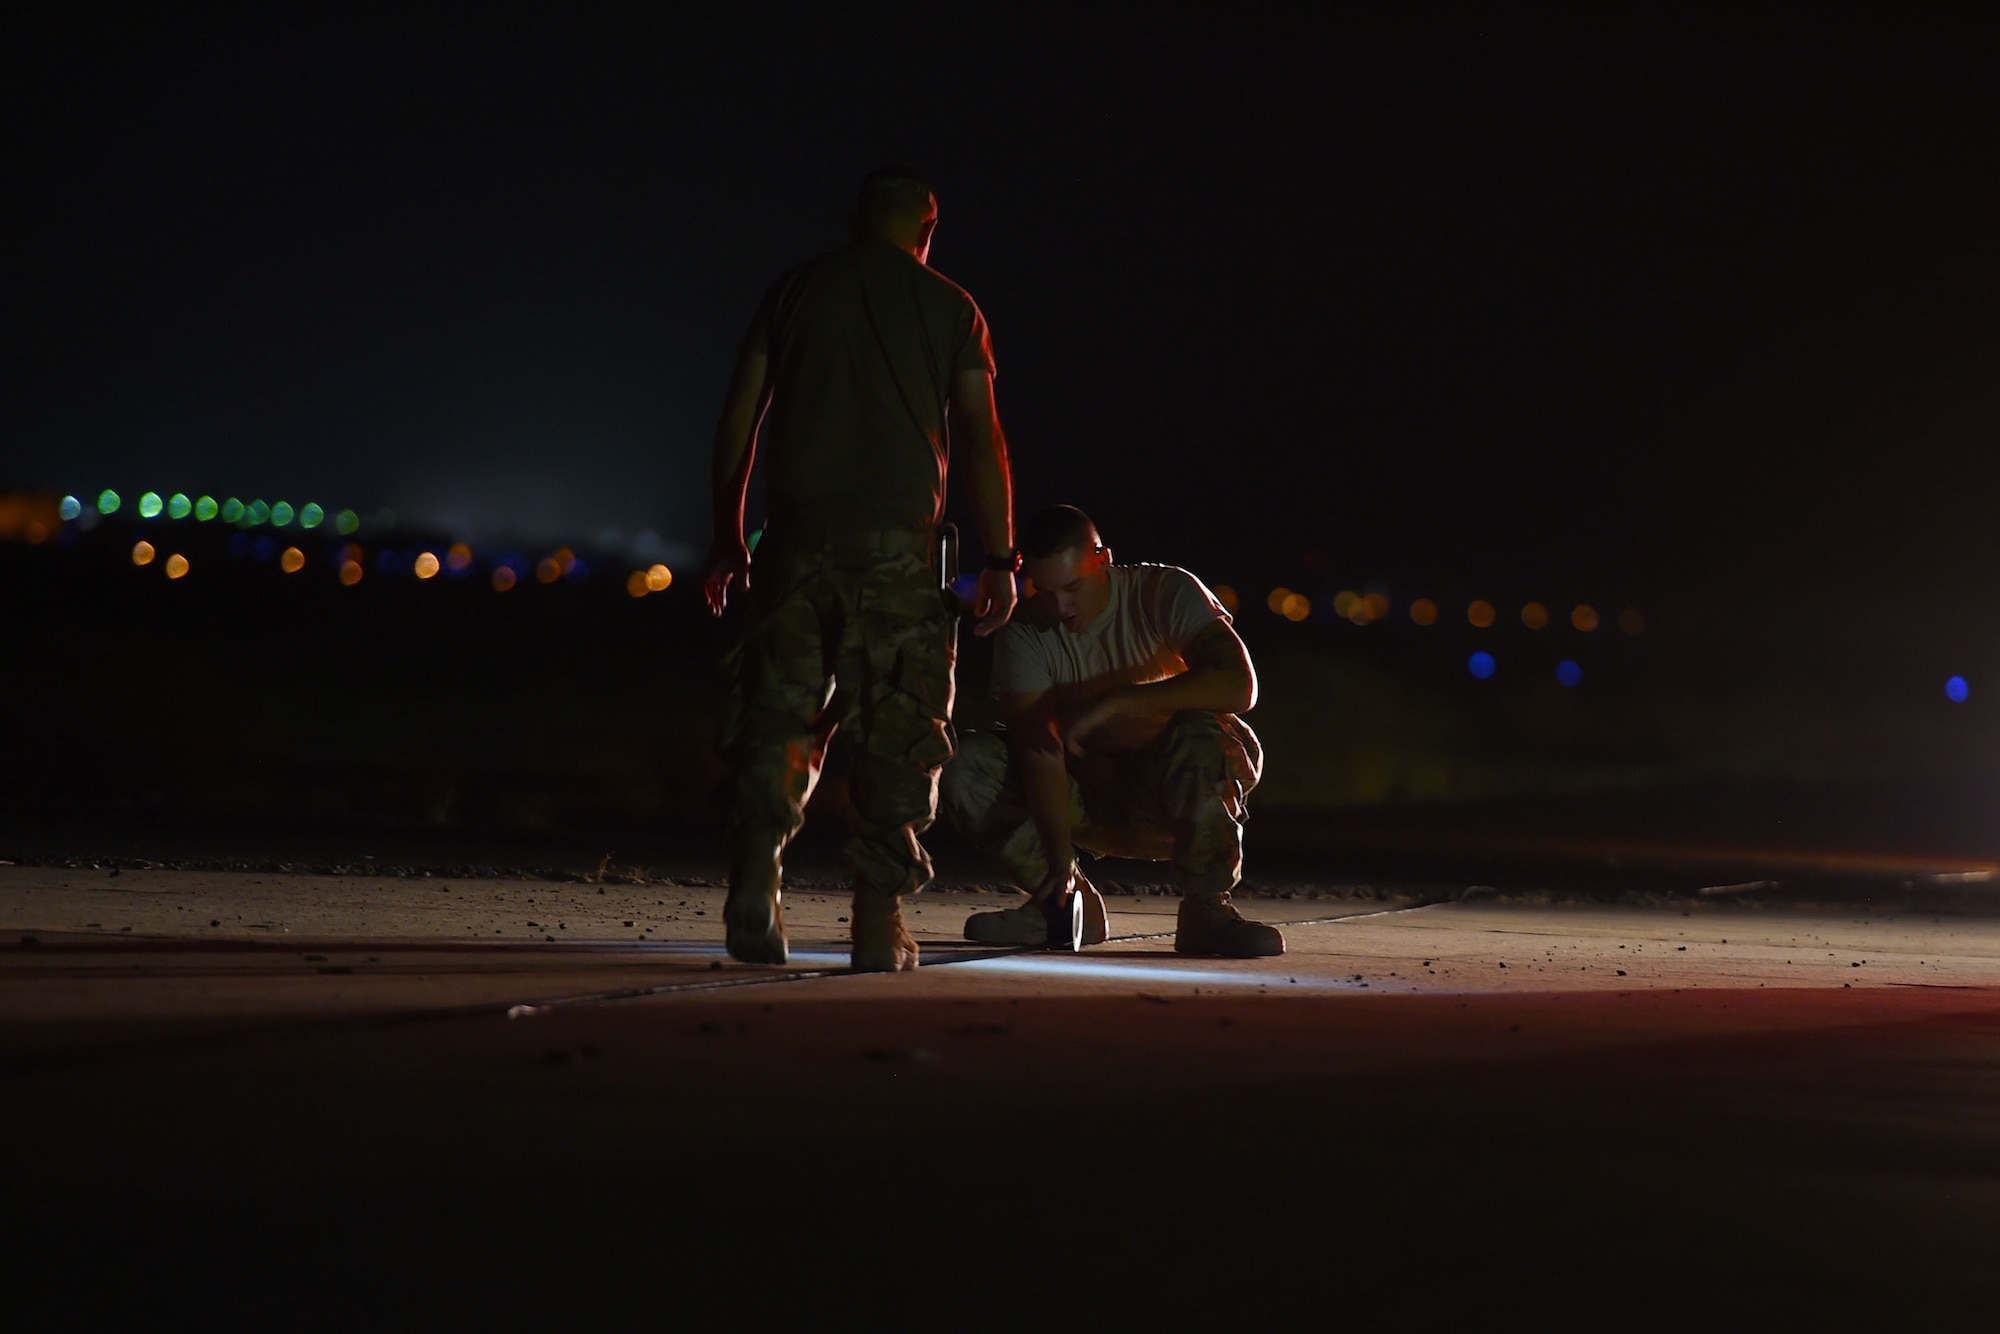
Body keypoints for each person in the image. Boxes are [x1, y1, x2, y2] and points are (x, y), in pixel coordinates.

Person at [701, 167, 1018, 972]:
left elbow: (740, 413)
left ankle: (756, 879)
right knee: (899, 735)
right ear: (927, 230)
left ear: (854, 224)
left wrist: (728, 535)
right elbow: (981, 436)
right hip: (898, 555)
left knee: (781, 720)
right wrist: (1003, 556)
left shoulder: (797, 290)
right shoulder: (952, 308)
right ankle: (878, 921)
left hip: (796, 547)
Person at [940, 505, 1284, 957]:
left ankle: (1207, 911)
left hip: (1173, 796)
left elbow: (1240, 685)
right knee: (966, 763)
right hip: (1085, 795)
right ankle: (1064, 905)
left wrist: (1116, 702)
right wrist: (1059, 876)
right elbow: (1039, 753)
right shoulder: (1026, 630)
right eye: (1045, 591)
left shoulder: (1162, 592)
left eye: (1072, 588)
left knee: (1204, 734)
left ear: (1102, 560)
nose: (1060, 607)